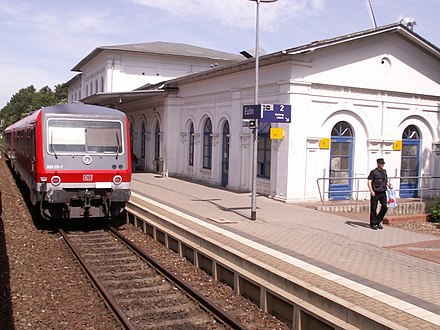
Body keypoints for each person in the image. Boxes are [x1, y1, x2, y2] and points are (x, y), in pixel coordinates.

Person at [367, 158, 392, 230]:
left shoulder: (384, 171)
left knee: (385, 207)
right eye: (381, 164)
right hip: (375, 192)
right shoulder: (373, 172)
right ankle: (373, 223)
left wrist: (389, 185)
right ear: (378, 164)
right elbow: (369, 181)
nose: (382, 165)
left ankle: (378, 220)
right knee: (373, 209)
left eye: (383, 164)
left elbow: (386, 180)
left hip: (383, 191)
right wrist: (371, 190)